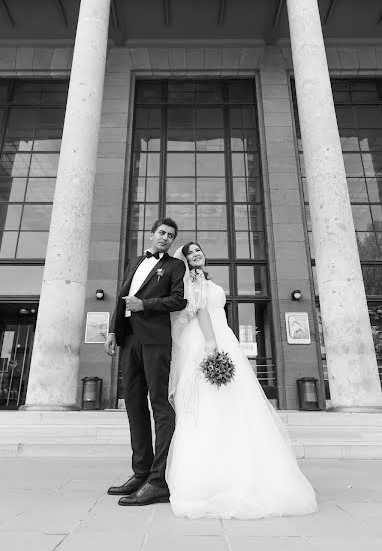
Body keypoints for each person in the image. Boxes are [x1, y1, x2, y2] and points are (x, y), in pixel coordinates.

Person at [166, 242, 318, 519]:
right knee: (209, 404)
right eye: (191, 253)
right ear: (185, 260)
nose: (197, 254)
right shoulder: (191, 280)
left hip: (223, 335)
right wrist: (211, 344)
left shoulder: (207, 280)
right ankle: (211, 479)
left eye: (199, 250)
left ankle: (242, 470)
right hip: (207, 340)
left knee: (236, 404)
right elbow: (200, 310)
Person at [104, 218, 187, 506]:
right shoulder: (135, 261)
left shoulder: (176, 267)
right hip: (129, 341)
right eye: (161, 233)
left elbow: (179, 300)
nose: (165, 238)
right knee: (134, 404)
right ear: (151, 235)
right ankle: (140, 473)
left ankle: (158, 480)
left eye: (171, 236)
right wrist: (114, 330)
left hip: (155, 341)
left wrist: (145, 305)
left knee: (160, 405)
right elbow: (121, 298)